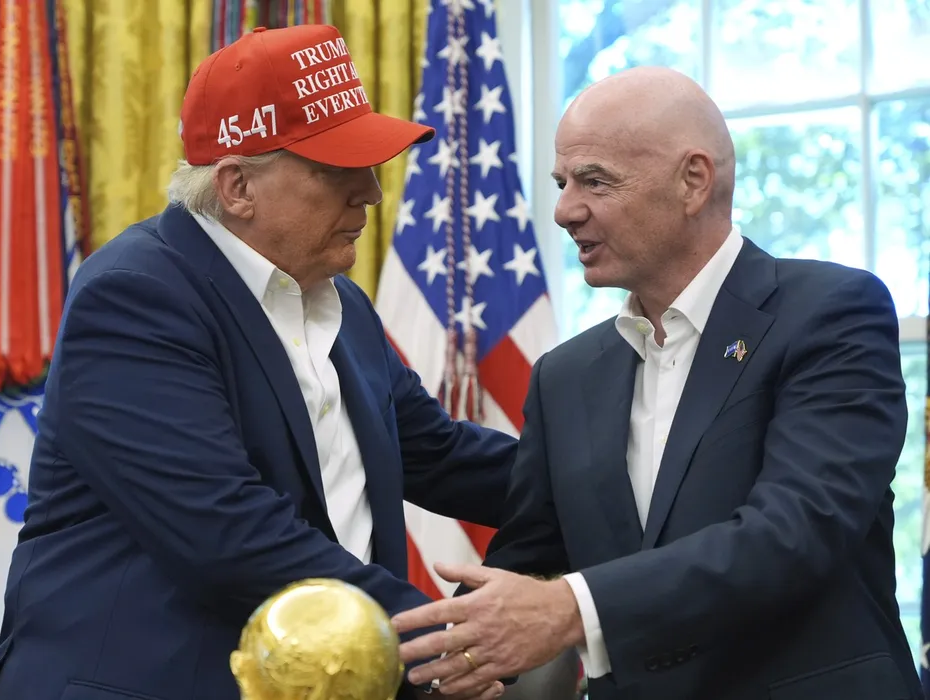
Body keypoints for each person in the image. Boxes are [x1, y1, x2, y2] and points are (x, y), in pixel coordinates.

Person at [0, 24, 512, 700]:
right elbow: (226, 532)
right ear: (237, 188)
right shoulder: (136, 296)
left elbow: (440, 454)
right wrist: (443, 642)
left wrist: (611, 483)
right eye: (338, 169)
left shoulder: (337, 299)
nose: (372, 193)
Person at [391, 65, 921, 700]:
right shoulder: (566, 376)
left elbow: (795, 532)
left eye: (594, 181)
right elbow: (526, 561)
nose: (564, 211)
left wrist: (571, 609)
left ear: (693, 181)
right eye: (562, 183)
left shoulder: (829, 312)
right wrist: (443, 665)